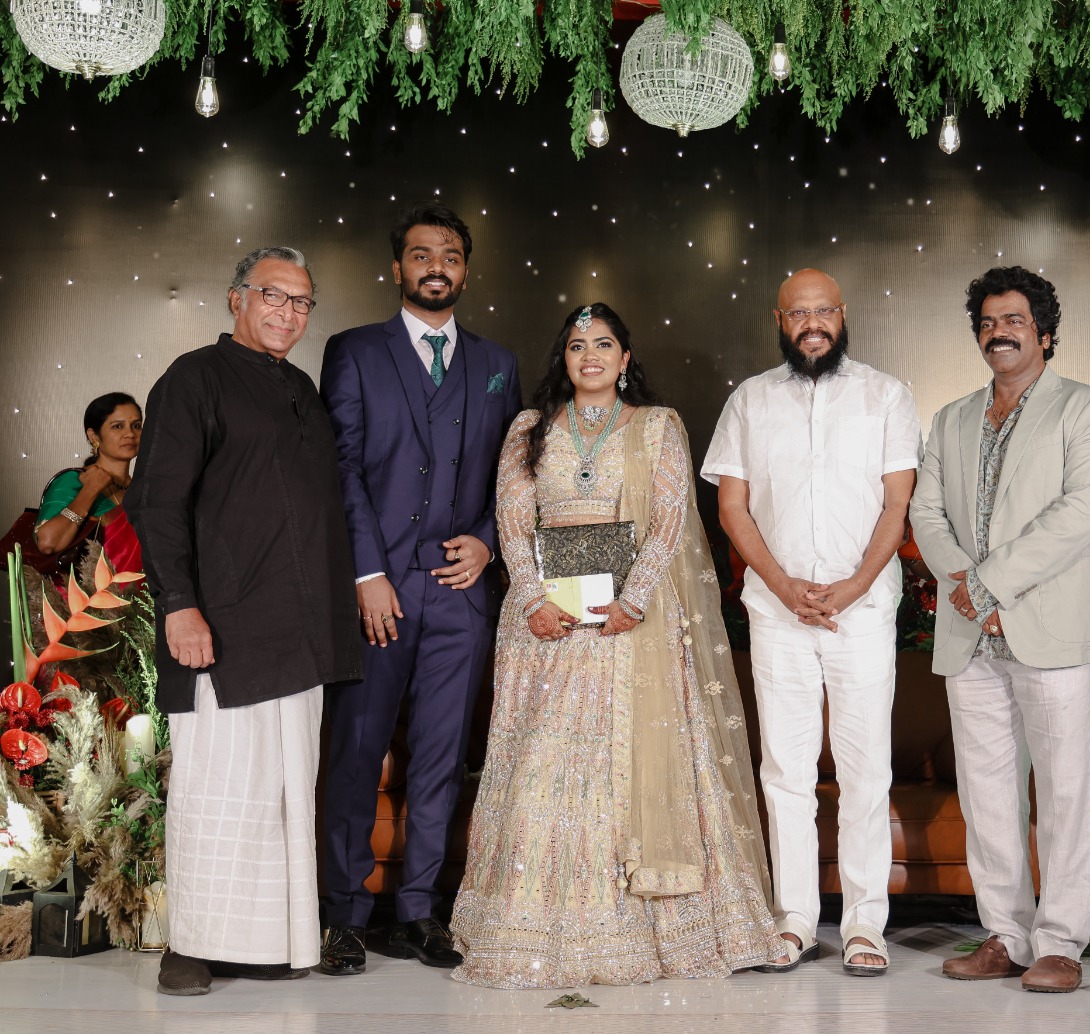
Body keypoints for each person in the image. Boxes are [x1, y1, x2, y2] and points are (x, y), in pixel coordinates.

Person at [450, 303, 781, 987]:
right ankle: (531, 926)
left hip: (630, 626)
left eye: (604, 345)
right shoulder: (528, 428)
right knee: (542, 764)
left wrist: (633, 601)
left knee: (623, 759)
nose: (591, 356)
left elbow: (670, 520)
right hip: (544, 627)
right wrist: (533, 599)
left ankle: (647, 926)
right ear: (564, 359)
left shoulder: (657, 426)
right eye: (577, 346)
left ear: (625, 360)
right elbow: (513, 520)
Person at [124, 247, 361, 996]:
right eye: (274, 296)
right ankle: (190, 947)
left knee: (283, 794)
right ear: (237, 299)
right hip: (222, 625)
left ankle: (271, 941)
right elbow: (155, 501)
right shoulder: (194, 378)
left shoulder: (301, 389)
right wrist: (178, 605)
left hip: (301, 627)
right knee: (216, 790)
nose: (289, 312)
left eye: (302, 301)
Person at [318, 204, 522, 975]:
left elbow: (515, 474)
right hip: (379, 589)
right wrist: (366, 574)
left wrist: (490, 540)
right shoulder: (353, 351)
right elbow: (340, 467)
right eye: (420, 253)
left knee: (441, 758)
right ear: (397, 267)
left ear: (466, 270)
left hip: (460, 594)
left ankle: (418, 912)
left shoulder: (497, 361)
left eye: (450, 255)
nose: (436, 266)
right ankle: (343, 913)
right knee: (357, 752)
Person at [702, 268, 921, 976]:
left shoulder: (886, 395)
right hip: (778, 613)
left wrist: (852, 587)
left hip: (863, 612)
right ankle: (793, 919)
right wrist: (782, 585)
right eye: (799, 313)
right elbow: (732, 507)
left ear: (843, 314)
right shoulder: (749, 400)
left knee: (865, 771)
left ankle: (863, 926)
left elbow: (897, 504)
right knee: (785, 771)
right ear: (780, 320)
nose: (813, 324)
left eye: (824, 310)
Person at [908, 266, 1090, 992]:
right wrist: (968, 588)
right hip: (972, 639)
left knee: (1065, 795)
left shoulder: (1083, 409)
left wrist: (989, 583)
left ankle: (1060, 944)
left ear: (1045, 334)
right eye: (989, 322)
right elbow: (925, 511)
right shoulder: (952, 418)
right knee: (988, 797)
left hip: (1053, 631)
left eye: (1015, 320)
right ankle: (1005, 935)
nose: (1000, 332)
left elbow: (1084, 512)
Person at [33, 392, 144, 576]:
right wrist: (90, 490)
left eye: (137, 426)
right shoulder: (73, 480)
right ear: (94, 436)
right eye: (118, 426)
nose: (130, 434)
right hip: (86, 592)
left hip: (140, 592)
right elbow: (48, 543)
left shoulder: (143, 489)